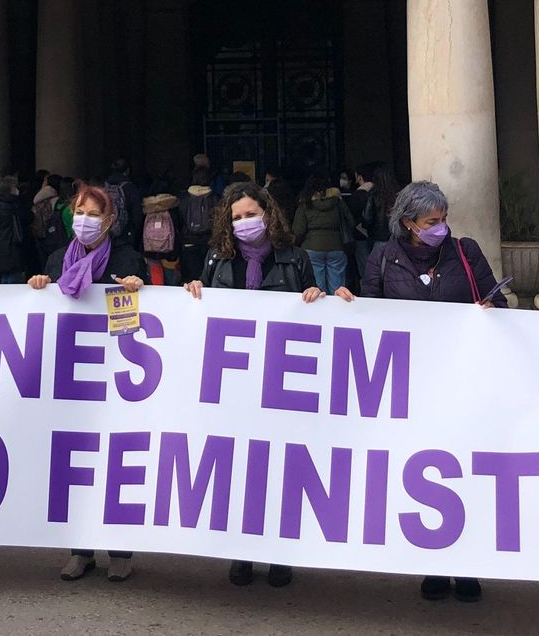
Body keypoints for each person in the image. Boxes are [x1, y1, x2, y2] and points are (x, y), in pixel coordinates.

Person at [185, 181, 348, 588]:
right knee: (239, 469)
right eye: (237, 218)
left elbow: (317, 311)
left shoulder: (295, 260)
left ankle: (279, 553)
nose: (244, 223)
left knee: (279, 470)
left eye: (250, 215)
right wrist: (193, 291)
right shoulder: (215, 261)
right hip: (234, 385)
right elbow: (201, 313)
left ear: (268, 214)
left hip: (280, 383)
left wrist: (317, 295)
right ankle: (242, 553)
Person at [360, 181, 504, 603]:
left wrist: (493, 310)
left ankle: (468, 565)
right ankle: (434, 563)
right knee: (423, 475)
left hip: (463, 381)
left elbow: (499, 300)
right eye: (431, 222)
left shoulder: (465, 251)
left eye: (443, 219)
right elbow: (368, 316)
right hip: (411, 386)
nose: (440, 227)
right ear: (408, 223)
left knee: (466, 472)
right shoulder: (383, 258)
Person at [29, 184, 145, 582]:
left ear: (110, 220)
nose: (85, 220)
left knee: (114, 464)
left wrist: (138, 288)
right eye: (80, 211)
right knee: (74, 466)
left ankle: (121, 552)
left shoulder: (128, 259)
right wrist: (39, 288)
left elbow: (148, 320)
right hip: (72, 378)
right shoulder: (58, 258)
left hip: (116, 376)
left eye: (95, 214)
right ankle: (80, 550)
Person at [293, 173, 351, 294]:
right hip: (336, 246)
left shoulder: (305, 204)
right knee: (338, 290)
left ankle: (319, 312)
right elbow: (350, 221)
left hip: (312, 248)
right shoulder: (338, 202)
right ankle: (336, 311)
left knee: (316, 290)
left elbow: (298, 230)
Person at [352, 162, 397, 290]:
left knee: (374, 273)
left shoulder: (374, 195)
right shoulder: (399, 195)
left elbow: (367, 218)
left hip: (378, 239)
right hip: (396, 239)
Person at [0, 176, 29, 284]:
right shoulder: (12, 205)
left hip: (1, 247)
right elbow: (27, 216)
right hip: (13, 247)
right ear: (11, 189)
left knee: (5, 277)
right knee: (13, 279)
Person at [104, 159, 143, 244]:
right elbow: (137, 216)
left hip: (107, 233)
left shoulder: (104, 187)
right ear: (127, 171)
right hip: (125, 235)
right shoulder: (130, 188)